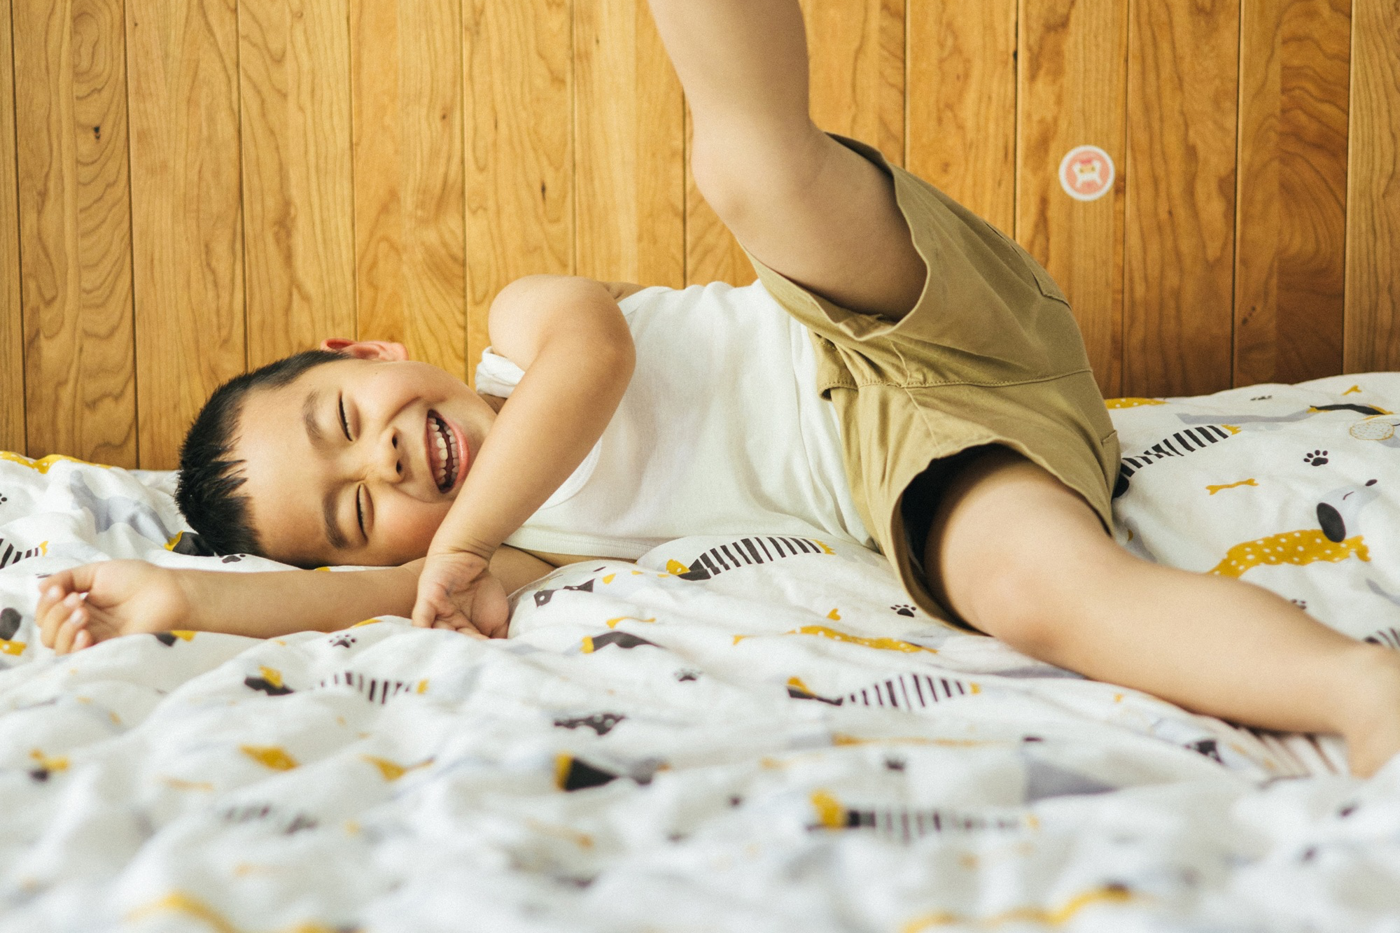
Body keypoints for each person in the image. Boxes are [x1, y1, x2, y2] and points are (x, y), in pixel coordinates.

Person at [36, 0, 1400, 777]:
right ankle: (1359, 694)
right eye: (352, 511)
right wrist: (178, 601)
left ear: (368, 355)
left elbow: (598, 361)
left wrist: (454, 543)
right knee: (1039, 596)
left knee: (748, 170)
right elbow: (378, 599)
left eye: (344, 425)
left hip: (873, 303)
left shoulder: (523, 330)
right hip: (929, 450)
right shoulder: (528, 549)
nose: (381, 466)